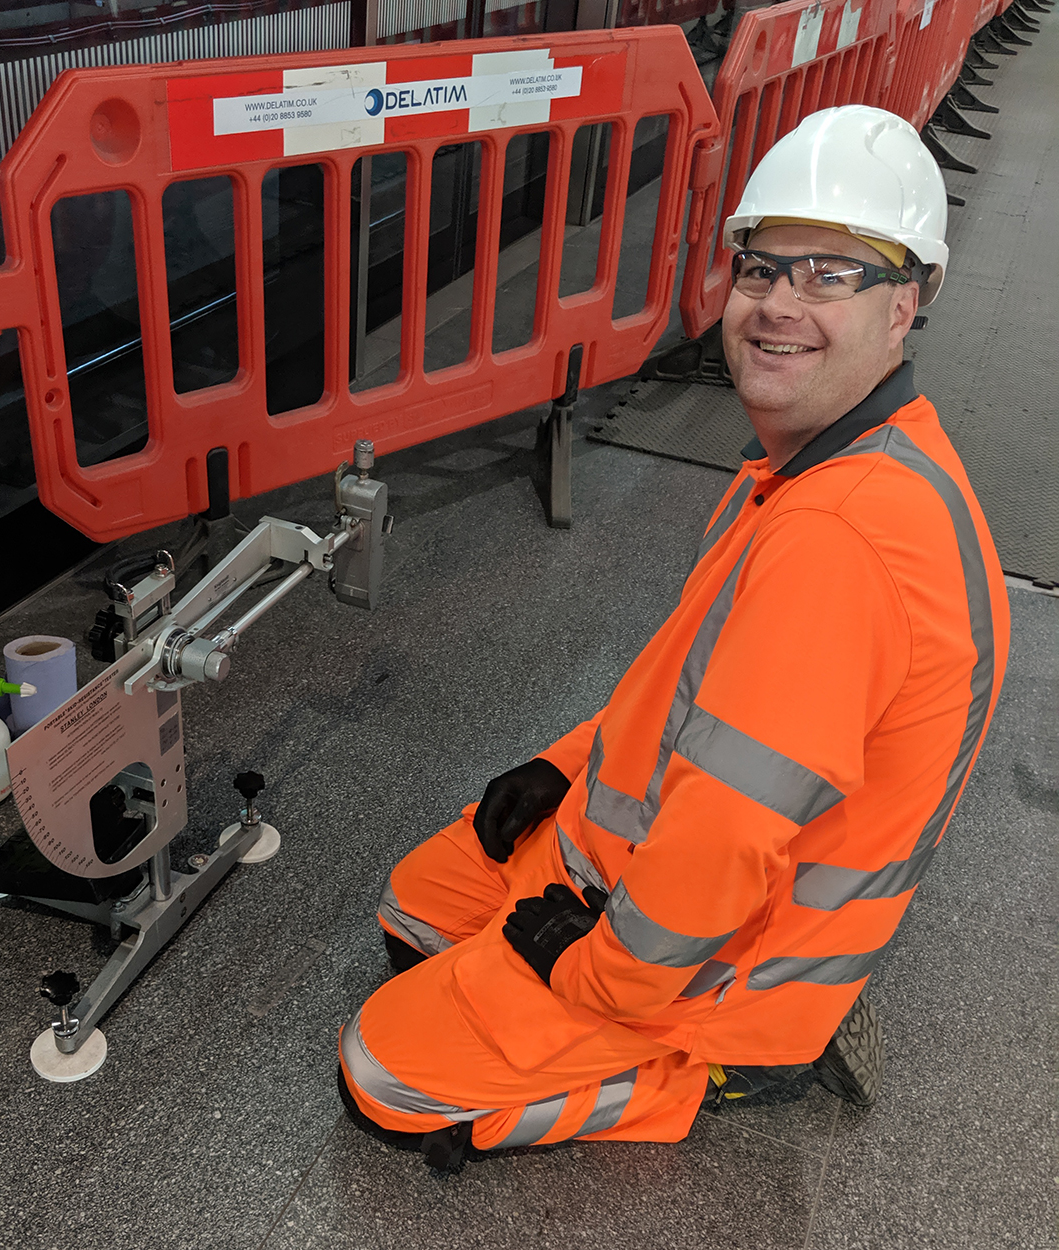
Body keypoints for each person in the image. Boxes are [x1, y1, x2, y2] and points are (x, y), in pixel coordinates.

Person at [337, 106, 1011, 1171]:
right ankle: (567, 986)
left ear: (905, 303)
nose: (776, 303)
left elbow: (727, 837)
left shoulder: (837, 536)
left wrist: (591, 972)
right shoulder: (821, 469)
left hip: (721, 964)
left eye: (830, 273)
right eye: (759, 267)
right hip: (646, 863)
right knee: (413, 905)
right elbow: (694, 700)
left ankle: (722, 1068)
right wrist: (555, 769)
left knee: (380, 1071)